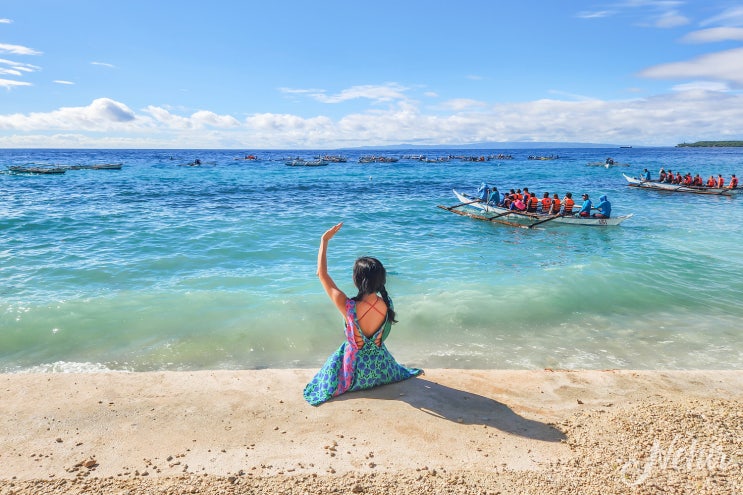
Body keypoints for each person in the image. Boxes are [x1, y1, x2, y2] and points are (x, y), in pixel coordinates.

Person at [303, 223, 422, 406]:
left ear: (357, 280)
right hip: (382, 370)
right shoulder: (386, 304)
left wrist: (324, 241)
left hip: (354, 373)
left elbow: (322, 274)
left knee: (329, 369)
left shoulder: (348, 306)